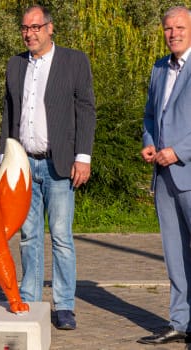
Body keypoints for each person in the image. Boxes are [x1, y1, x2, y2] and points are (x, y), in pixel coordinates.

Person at [0, 5, 96, 330]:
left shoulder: (74, 61)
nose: (30, 33)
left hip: (60, 164)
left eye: (36, 27)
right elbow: (8, 114)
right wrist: (4, 160)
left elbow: (86, 110)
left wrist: (83, 156)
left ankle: (64, 305)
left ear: (50, 28)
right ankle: (28, 298)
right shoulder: (15, 64)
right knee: (28, 236)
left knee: (61, 237)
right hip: (24, 164)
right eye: (25, 28)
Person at [138, 6, 191, 345]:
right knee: (174, 253)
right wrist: (150, 142)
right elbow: (149, 114)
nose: (174, 33)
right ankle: (180, 322)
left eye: (180, 27)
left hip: (188, 170)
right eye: (168, 29)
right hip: (163, 176)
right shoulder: (159, 68)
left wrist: (179, 151)